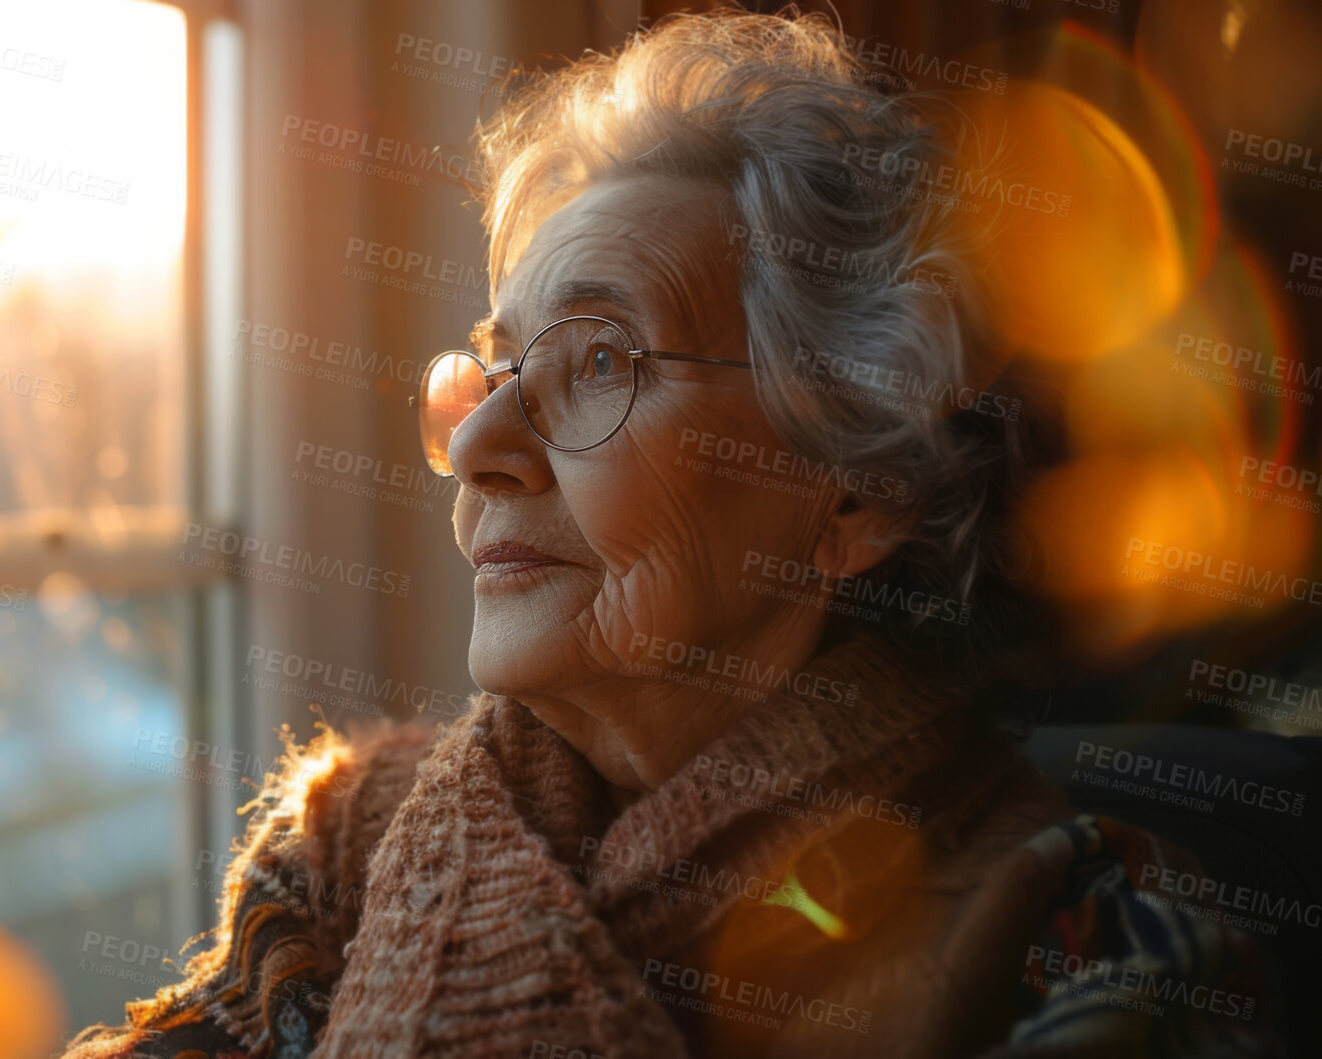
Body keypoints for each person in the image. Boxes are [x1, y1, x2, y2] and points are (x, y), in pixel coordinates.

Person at [66, 9, 1281, 1057]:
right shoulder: (335, 849)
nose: (483, 441)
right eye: (490, 368)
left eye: (597, 359)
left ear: (849, 496)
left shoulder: (1081, 936)